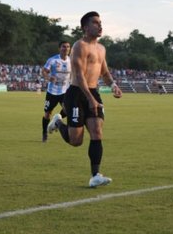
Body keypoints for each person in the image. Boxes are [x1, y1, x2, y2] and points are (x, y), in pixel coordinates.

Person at [47, 12, 122, 187]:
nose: (100, 25)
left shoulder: (102, 48)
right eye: (95, 23)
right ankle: (58, 122)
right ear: (85, 27)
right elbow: (79, 76)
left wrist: (113, 86)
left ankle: (95, 175)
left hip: (93, 92)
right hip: (76, 93)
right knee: (76, 141)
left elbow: (104, 72)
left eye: (100, 22)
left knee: (97, 132)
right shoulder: (79, 46)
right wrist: (90, 98)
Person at [41, 40, 71, 142]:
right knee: (47, 114)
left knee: (68, 110)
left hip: (65, 91)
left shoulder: (71, 61)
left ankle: (57, 120)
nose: (66, 48)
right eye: (63, 46)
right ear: (59, 48)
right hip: (52, 92)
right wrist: (48, 77)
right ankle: (44, 133)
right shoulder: (53, 60)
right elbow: (44, 71)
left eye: (67, 47)